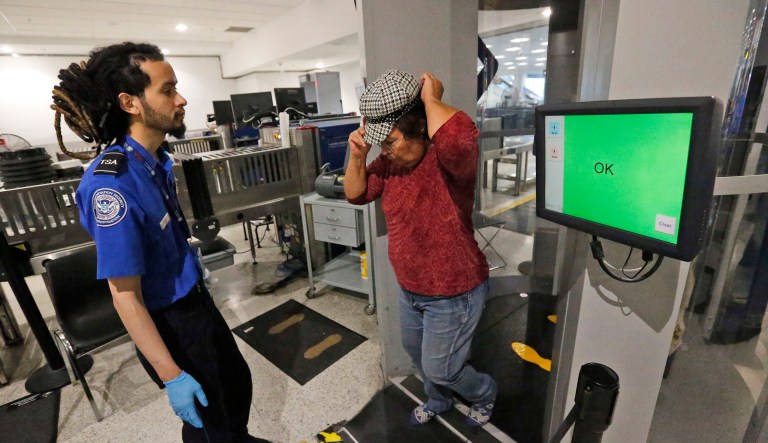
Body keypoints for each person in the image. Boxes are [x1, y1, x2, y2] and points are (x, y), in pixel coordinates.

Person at [52, 42, 268, 443]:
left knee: (234, 388)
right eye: (167, 90)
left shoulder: (154, 162)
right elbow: (124, 296)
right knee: (210, 422)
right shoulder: (111, 186)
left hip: (196, 302)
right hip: (172, 323)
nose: (181, 99)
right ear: (130, 102)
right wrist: (172, 376)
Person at [344, 69, 498, 427]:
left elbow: (460, 137)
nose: (386, 151)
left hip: (453, 290)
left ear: (419, 129)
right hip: (410, 288)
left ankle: (485, 391)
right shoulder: (388, 162)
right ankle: (439, 400)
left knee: (441, 366)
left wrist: (430, 99)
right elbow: (356, 193)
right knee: (417, 354)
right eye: (381, 144)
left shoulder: (448, 161)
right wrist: (357, 156)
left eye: (391, 141)